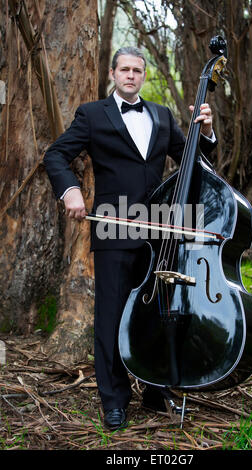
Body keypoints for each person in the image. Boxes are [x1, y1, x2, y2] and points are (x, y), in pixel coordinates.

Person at [44, 46, 217, 430]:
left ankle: (156, 389)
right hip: (112, 226)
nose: (131, 76)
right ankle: (115, 401)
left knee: (158, 313)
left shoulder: (161, 114)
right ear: (112, 73)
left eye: (137, 70)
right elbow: (55, 155)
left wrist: (204, 132)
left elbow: (193, 160)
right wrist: (70, 190)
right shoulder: (92, 115)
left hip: (160, 231)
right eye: (124, 69)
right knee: (110, 316)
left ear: (143, 75)